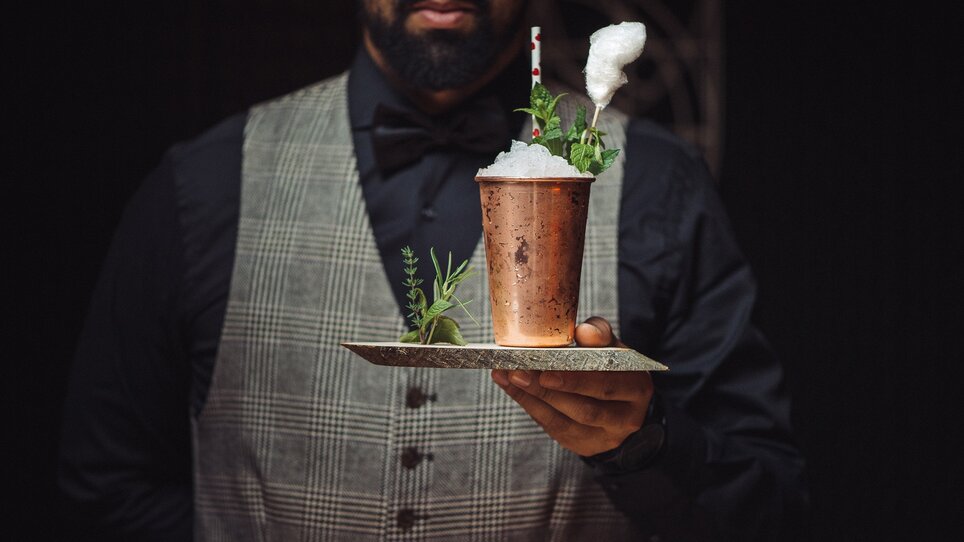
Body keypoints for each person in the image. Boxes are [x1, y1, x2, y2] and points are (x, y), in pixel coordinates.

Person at [59, 0, 808, 540]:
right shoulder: (203, 183)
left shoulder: (659, 181)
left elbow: (770, 508)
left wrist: (647, 445)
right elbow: (105, 490)